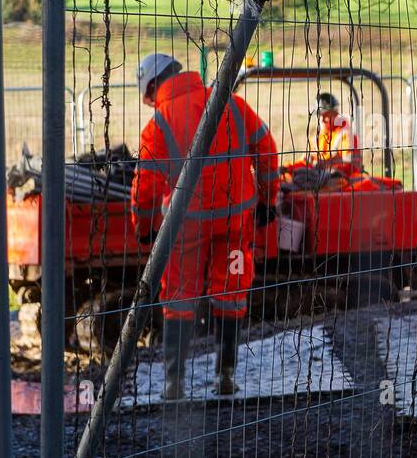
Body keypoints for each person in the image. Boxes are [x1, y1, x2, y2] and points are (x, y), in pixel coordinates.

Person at [129, 52, 280, 398]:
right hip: (235, 225)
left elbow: (145, 190)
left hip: (187, 231)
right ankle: (225, 376)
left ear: (153, 87)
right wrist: (268, 202)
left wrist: (146, 229)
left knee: (179, 298)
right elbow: (268, 152)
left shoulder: (158, 126)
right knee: (231, 293)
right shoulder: (231, 104)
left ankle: (174, 383)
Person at [311, 92, 363, 176]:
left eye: (326, 116)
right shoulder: (318, 138)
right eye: (319, 116)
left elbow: (352, 164)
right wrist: (288, 168)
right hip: (319, 181)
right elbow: (306, 161)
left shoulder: (346, 136)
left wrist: (326, 164)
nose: (322, 119)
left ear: (336, 113)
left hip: (344, 182)